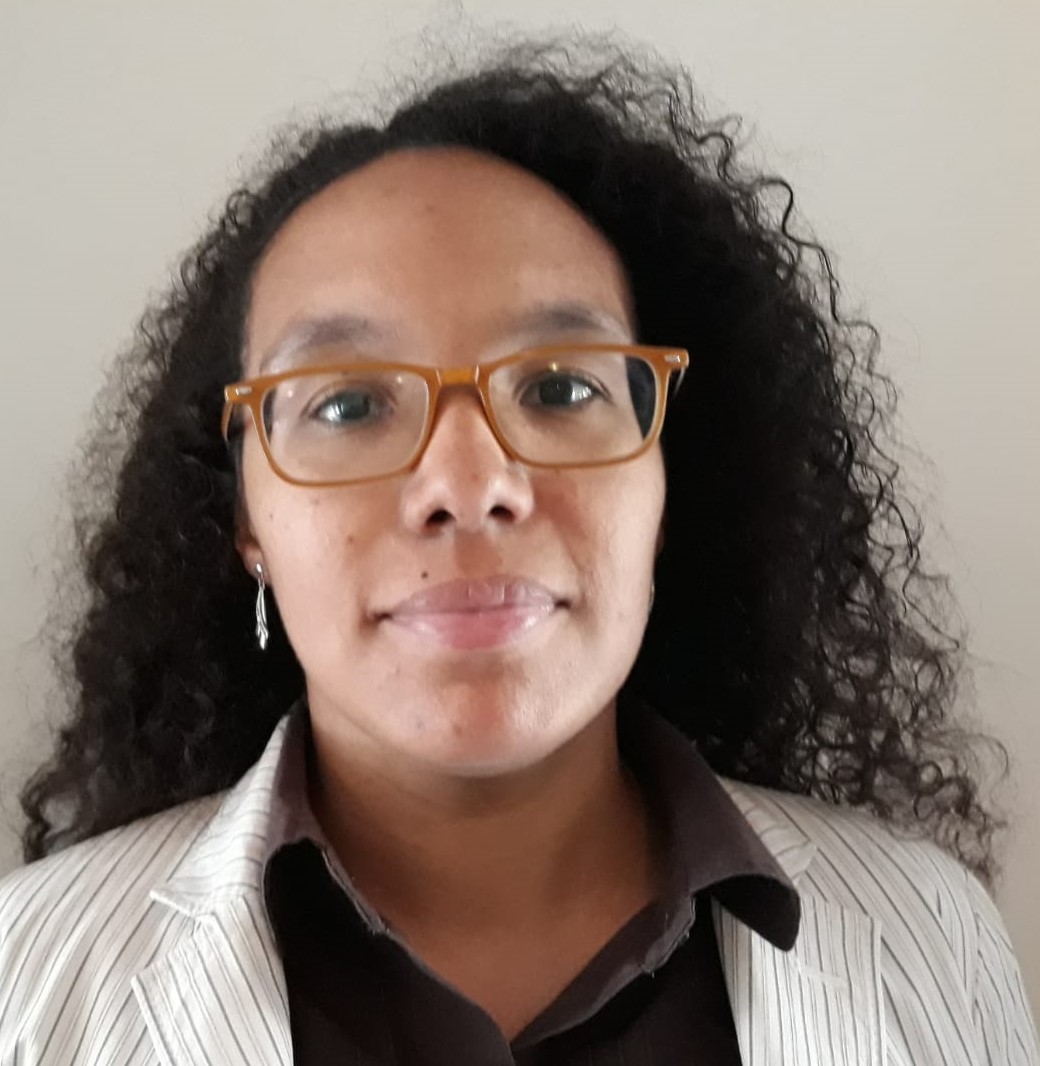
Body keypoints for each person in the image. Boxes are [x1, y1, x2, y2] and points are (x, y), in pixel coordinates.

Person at [0, 32, 1036, 1066]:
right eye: (348, 404)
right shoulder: (26, 980)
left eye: (559, 387)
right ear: (244, 520)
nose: (467, 484)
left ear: (666, 477)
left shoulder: (929, 939)